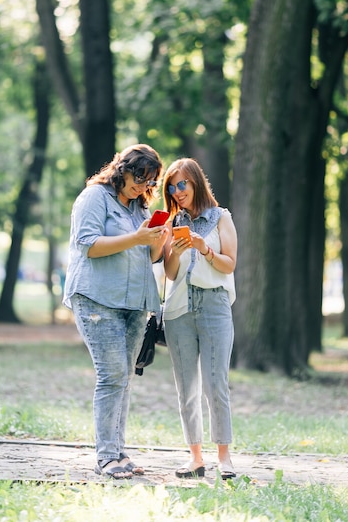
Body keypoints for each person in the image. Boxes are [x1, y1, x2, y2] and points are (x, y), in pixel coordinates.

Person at [62, 144, 168, 479]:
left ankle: (119, 451)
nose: (143, 186)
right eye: (139, 178)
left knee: (123, 377)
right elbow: (88, 245)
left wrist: (155, 239)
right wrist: (137, 237)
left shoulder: (139, 207)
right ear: (122, 169)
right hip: (97, 299)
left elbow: (149, 258)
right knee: (110, 376)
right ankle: (106, 456)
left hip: (135, 303)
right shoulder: (95, 197)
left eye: (149, 181)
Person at [162, 158, 237, 480]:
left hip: (214, 306)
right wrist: (175, 252)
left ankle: (225, 457)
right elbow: (169, 273)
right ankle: (195, 458)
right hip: (178, 310)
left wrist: (205, 249)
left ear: (196, 183)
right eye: (172, 187)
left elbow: (229, 265)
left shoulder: (221, 217)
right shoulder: (171, 221)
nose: (177, 192)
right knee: (186, 388)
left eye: (183, 185)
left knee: (215, 384)